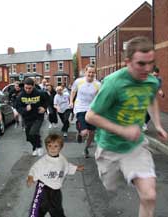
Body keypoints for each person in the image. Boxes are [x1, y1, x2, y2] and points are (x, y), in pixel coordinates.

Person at [85, 36, 168, 217]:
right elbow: (90, 116)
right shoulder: (113, 83)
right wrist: (123, 130)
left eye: (151, 64)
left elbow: (151, 97)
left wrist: (158, 125)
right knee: (111, 186)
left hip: (135, 146)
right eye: (141, 64)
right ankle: (117, 171)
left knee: (149, 196)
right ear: (128, 62)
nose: (147, 69)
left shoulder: (150, 81)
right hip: (109, 147)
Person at [27, 134, 84, 217]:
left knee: (57, 210)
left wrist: (76, 168)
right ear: (46, 147)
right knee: (38, 210)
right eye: (49, 146)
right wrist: (31, 177)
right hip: (43, 189)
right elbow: (34, 169)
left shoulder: (62, 159)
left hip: (56, 190)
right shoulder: (43, 161)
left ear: (60, 147)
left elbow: (67, 166)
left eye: (56, 146)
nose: (52, 149)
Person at [70, 64, 100, 158]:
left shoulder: (98, 84)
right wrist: (71, 101)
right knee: (84, 132)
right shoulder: (78, 81)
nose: (91, 74)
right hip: (80, 108)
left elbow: (99, 97)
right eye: (89, 72)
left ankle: (86, 148)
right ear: (85, 72)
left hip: (91, 108)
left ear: (95, 73)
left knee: (92, 133)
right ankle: (80, 132)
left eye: (93, 72)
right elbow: (73, 92)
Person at [16, 78, 47, 156]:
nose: (27, 90)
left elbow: (48, 100)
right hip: (27, 118)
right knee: (29, 137)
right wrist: (25, 109)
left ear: (33, 86)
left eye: (29, 88)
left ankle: (39, 146)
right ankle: (34, 147)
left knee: (33, 132)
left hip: (38, 117)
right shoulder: (21, 95)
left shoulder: (39, 93)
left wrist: (44, 108)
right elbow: (18, 107)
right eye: (26, 88)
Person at [143, 65, 165, 131]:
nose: (155, 77)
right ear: (151, 73)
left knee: (150, 114)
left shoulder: (159, 79)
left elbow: (159, 88)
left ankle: (143, 124)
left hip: (152, 98)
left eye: (157, 75)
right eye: (154, 75)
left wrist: (161, 93)